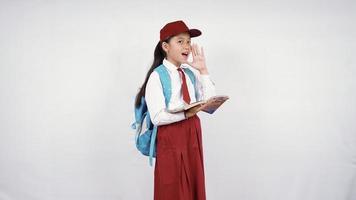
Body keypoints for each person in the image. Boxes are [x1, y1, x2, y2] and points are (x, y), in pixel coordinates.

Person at [134, 20, 216, 200]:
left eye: (188, 41)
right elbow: (157, 117)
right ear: (165, 46)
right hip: (171, 137)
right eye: (180, 41)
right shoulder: (157, 76)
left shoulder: (189, 73)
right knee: (172, 188)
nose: (186, 46)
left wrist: (203, 69)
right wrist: (186, 113)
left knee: (194, 183)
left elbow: (208, 101)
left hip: (192, 133)